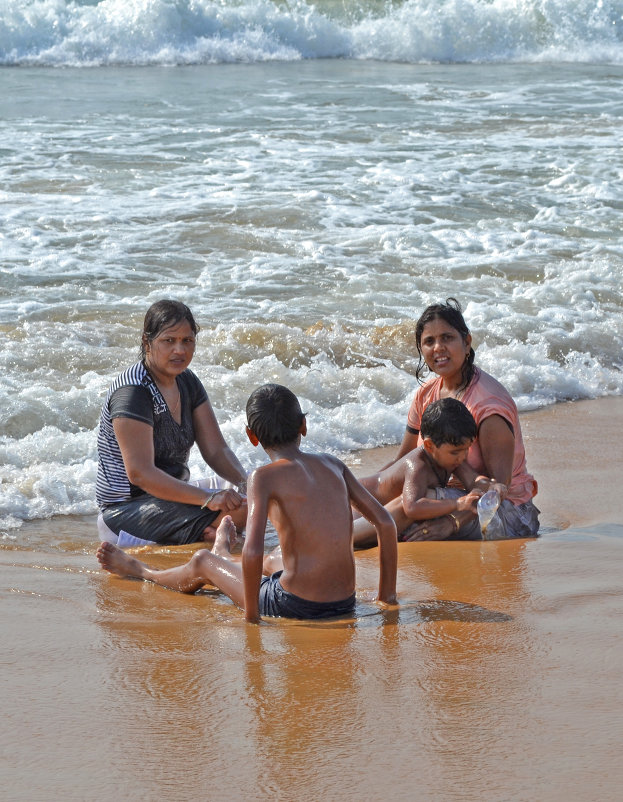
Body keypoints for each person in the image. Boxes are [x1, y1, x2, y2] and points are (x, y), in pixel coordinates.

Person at [96, 383, 398, 622]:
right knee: (273, 560)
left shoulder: (263, 478)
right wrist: (386, 597)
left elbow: (252, 548)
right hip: (344, 602)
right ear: (303, 425)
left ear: (252, 436)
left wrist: (252, 615)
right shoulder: (334, 464)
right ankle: (224, 553)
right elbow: (385, 522)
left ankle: (140, 571)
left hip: (294, 605)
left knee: (203, 562)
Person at [381, 298, 539, 541]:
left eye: (447, 338)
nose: (438, 348)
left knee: (406, 505)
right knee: (388, 498)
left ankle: (337, 541)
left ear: (467, 343)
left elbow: (498, 489)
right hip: (452, 498)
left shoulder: (488, 406)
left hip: (508, 514)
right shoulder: (426, 394)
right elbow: (402, 461)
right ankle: (333, 532)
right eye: (429, 341)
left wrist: (451, 523)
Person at [96, 299, 247, 545]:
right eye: (169, 341)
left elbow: (216, 450)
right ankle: (207, 533)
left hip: (170, 496)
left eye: (187, 341)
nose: (180, 350)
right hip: (125, 511)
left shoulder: (187, 381)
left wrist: (246, 483)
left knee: (255, 494)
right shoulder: (133, 392)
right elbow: (141, 474)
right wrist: (209, 499)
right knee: (240, 512)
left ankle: (208, 532)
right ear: (147, 342)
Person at [353, 398, 497, 547]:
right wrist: (458, 503)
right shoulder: (418, 466)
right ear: (429, 445)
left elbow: (473, 479)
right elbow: (412, 507)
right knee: (350, 541)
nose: (462, 457)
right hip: (358, 502)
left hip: (380, 506)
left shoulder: (448, 458)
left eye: (466, 449)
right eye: (456, 452)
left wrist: (491, 486)